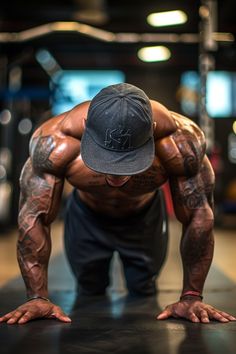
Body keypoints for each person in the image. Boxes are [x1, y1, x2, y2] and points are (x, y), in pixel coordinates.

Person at [0, 83, 235, 325]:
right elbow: (33, 217)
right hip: (86, 218)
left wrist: (191, 297)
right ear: (85, 127)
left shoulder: (181, 143)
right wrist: (37, 297)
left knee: (143, 290)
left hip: (143, 218)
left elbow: (199, 215)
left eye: (129, 160)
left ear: (151, 129)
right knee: (89, 290)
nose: (117, 176)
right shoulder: (54, 142)